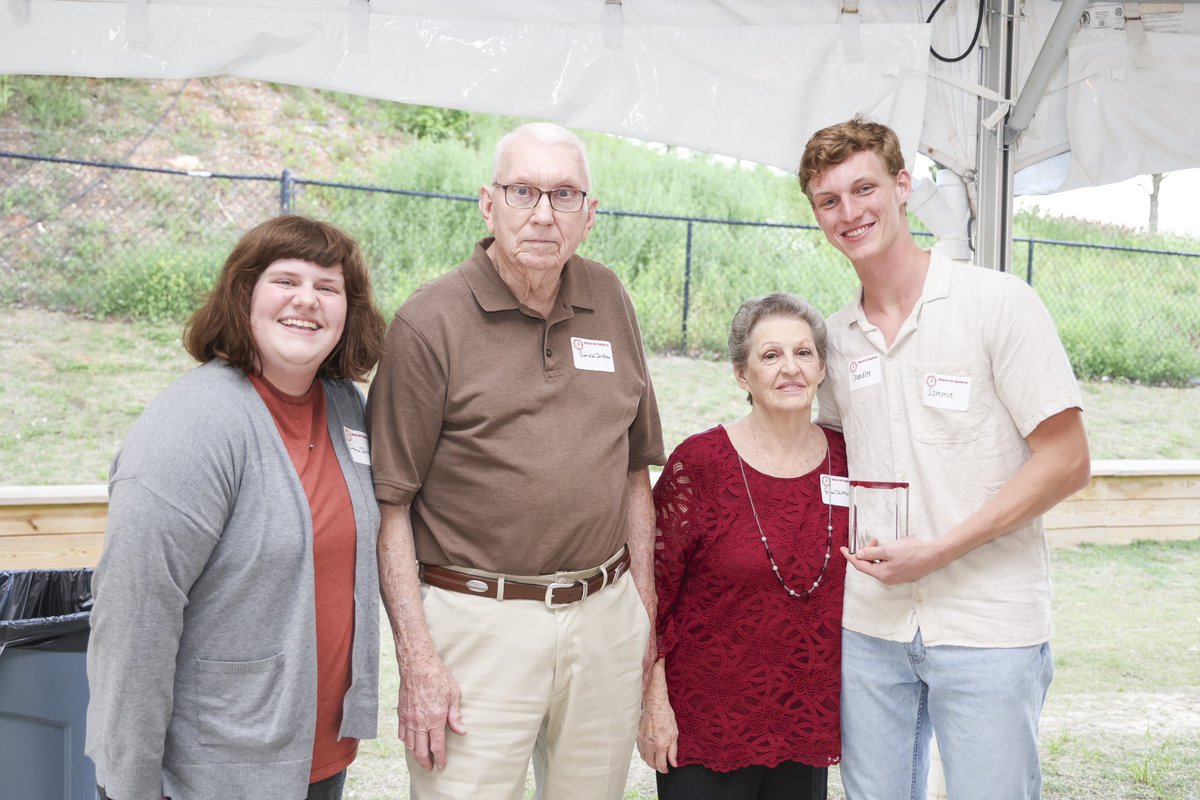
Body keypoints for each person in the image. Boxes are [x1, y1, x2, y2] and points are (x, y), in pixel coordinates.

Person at [367, 122, 664, 799]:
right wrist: (417, 659)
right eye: (522, 190)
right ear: (487, 202)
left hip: (603, 616)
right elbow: (392, 508)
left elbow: (633, 473)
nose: (541, 213)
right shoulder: (429, 322)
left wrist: (639, 614)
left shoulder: (610, 298)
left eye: (563, 195)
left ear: (589, 216)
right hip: (477, 622)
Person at [797, 117, 1092, 799]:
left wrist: (942, 549)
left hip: (986, 622)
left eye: (864, 188)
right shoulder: (834, 340)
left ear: (903, 187)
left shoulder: (997, 304)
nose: (850, 212)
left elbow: (1068, 458)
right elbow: (829, 462)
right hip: (871, 627)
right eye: (829, 201)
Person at [85, 215, 387, 800]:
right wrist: (128, 784)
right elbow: (132, 622)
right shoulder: (192, 427)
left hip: (317, 756)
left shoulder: (347, 407)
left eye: (328, 288)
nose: (308, 300)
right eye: (286, 280)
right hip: (215, 769)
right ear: (244, 294)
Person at [638, 293, 848, 800]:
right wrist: (653, 704)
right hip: (707, 724)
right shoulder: (701, 464)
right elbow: (651, 594)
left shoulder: (848, 460)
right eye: (770, 355)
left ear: (822, 369)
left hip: (805, 719)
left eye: (804, 353)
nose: (790, 369)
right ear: (741, 375)